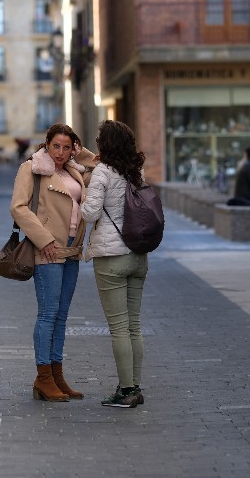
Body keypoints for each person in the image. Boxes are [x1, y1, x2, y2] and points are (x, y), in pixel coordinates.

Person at [10, 123, 96, 402]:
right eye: (55, 146)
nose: (60, 152)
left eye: (66, 147)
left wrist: (81, 154)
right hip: (47, 250)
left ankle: (57, 375)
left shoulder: (75, 170)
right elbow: (18, 207)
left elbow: (98, 166)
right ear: (46, 145)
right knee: (48, 314)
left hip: (71, 251)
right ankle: (43, 377)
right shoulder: (31, 168)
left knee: (61, 315)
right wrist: (44, 239)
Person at [80, 119, 148, 409]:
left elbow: (90, 213)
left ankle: (126, 390)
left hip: (111, 258)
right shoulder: (136, 171)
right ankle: (135, 386)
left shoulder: (103, 173)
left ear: (105, 145)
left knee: (119, 327)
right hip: (138, 255)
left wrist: (82, 195)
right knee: (133, 325)